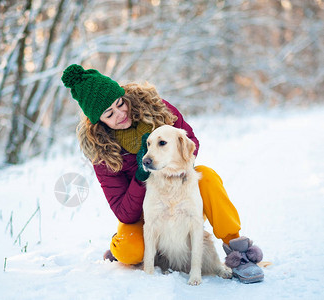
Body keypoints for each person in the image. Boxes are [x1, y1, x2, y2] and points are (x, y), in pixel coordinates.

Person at [61, 64, 264, 284]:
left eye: (120, 103)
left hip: (179, 188)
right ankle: (120, 246)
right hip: (144, 211)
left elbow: (190, 142)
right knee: (129, 251)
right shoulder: (101, 153)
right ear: (99, 121)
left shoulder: (156, 108)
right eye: (109, 114)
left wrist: (168, 167)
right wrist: (142, 175)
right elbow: (123, 212)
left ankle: (238, 250)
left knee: (207, 176)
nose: (120, 114)